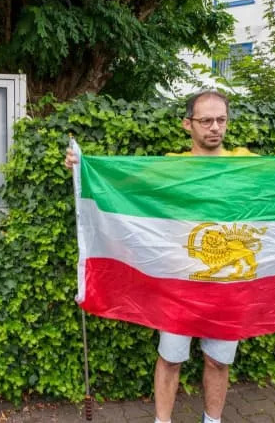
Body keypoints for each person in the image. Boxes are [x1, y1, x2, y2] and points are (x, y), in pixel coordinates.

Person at [64, 90, 255, 423]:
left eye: (221, 120)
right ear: (187, 124)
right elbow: (123, 185)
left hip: (227, 281)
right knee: (170, 358)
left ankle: (213, 421)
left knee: (219, 361)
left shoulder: (247, 164)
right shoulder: (169, 167)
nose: (214, 127)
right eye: (205, 120)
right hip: (177, 281)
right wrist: (84, 168)